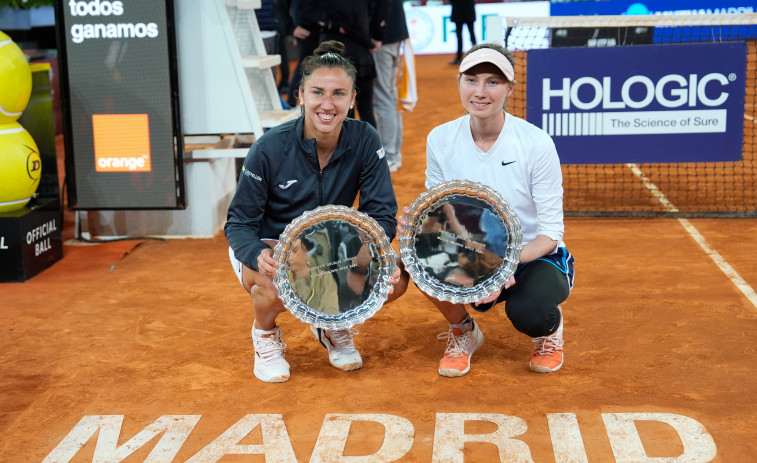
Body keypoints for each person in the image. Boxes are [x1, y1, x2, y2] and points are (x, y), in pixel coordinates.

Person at [226, 40, 409, 383]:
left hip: (332, 248)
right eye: (318, 92)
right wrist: (256, 254)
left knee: (394, 278)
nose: (328, 104)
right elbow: (239, 223)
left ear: (353, 99)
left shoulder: (365, 139)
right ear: (300, 96)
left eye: (339, 93)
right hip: (272, 244)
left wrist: (376, 254)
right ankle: (265, 334)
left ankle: (332, 323)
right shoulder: (268, 148)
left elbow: (381, 214)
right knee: (276, 284)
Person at [401, 43, 575, 377]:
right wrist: (417, 225)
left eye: (493, 82)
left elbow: (551, 233)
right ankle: (464, 331)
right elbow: (439, 210)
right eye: (472, 80)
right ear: (460, 82)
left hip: (532, 255)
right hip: (473, 249)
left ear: (510, 88)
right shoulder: (440, 138)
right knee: (416, 257)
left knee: (530, 312)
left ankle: (549, 334)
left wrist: (499, 267)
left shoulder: (536, 144)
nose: (480, 92)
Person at [298, 0, 389, 129]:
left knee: (344, 114)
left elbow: (306, 15)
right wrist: (372, 39)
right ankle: (371, 148)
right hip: (361, 54)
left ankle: (348, 148)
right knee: (365, 110)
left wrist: (331, 25)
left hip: (336, 55)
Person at [373, 0, 410, 172]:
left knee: (383, 96)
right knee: (389, 94)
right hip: (394, 33)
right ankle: (394, 153)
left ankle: (390, 154)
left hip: (383, 37)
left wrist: (375, 33)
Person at [449, 0, 477, 65]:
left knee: (460, 36)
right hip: (468, 10)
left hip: (458, 10)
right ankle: (476, 55)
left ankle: (459, 58)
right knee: (472, 34)